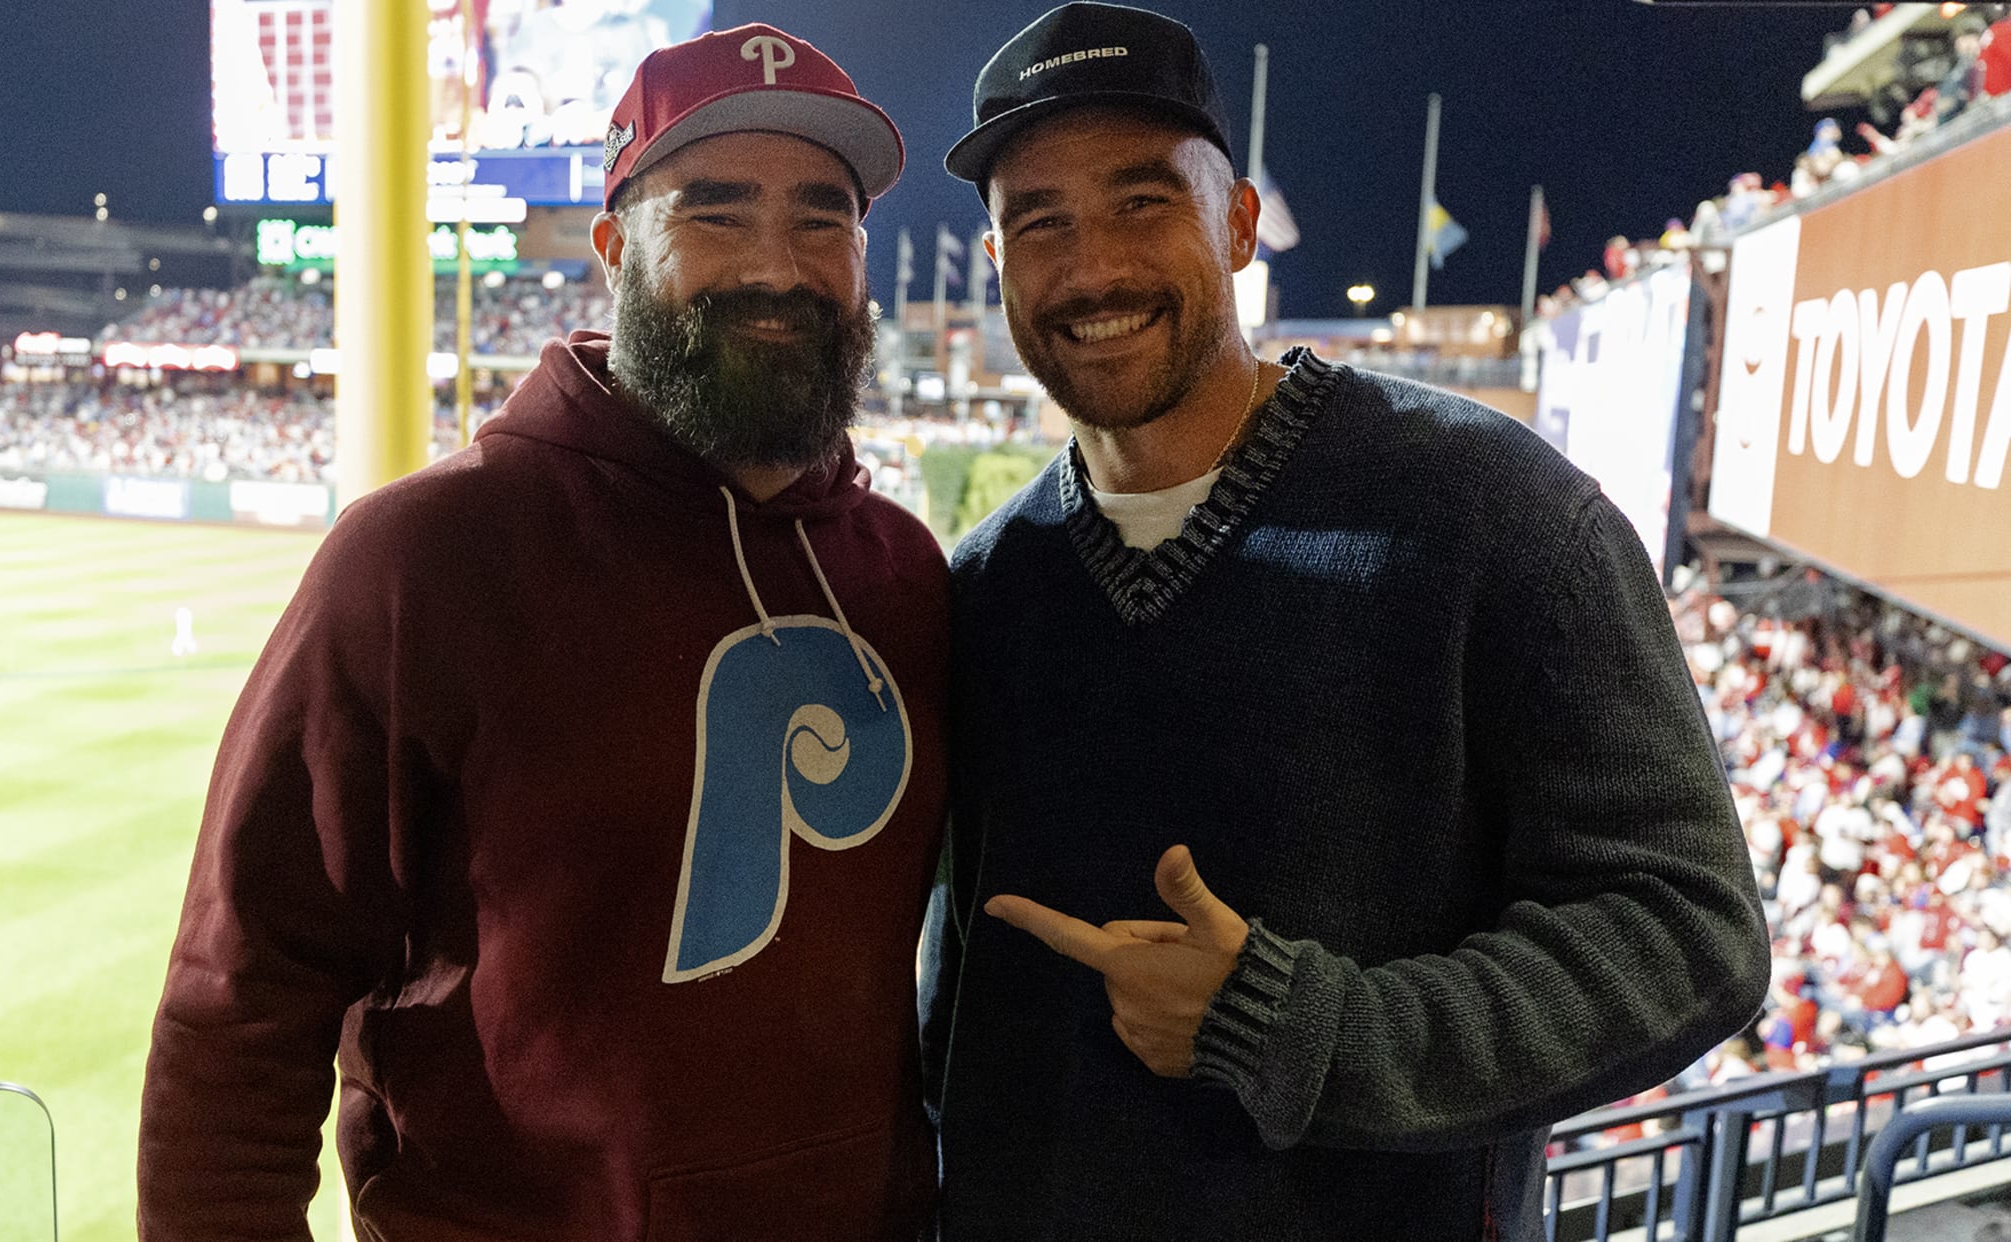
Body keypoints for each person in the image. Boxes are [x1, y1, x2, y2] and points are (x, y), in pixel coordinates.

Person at [918, 4, 1773, 1238]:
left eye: (1143, 202)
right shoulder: (989, 583)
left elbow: (1687, 935)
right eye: (1038, 221)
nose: (1092, 265)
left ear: (1242, 223)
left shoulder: (1500, 514)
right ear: (996, 264)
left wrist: (1289, 1029)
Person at [140, 23, 948, 1240]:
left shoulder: (905, 575)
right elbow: (238, 1008)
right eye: (717, 213)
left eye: (823, 218)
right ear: (616, 249)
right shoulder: (423, 558)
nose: (778, 267)